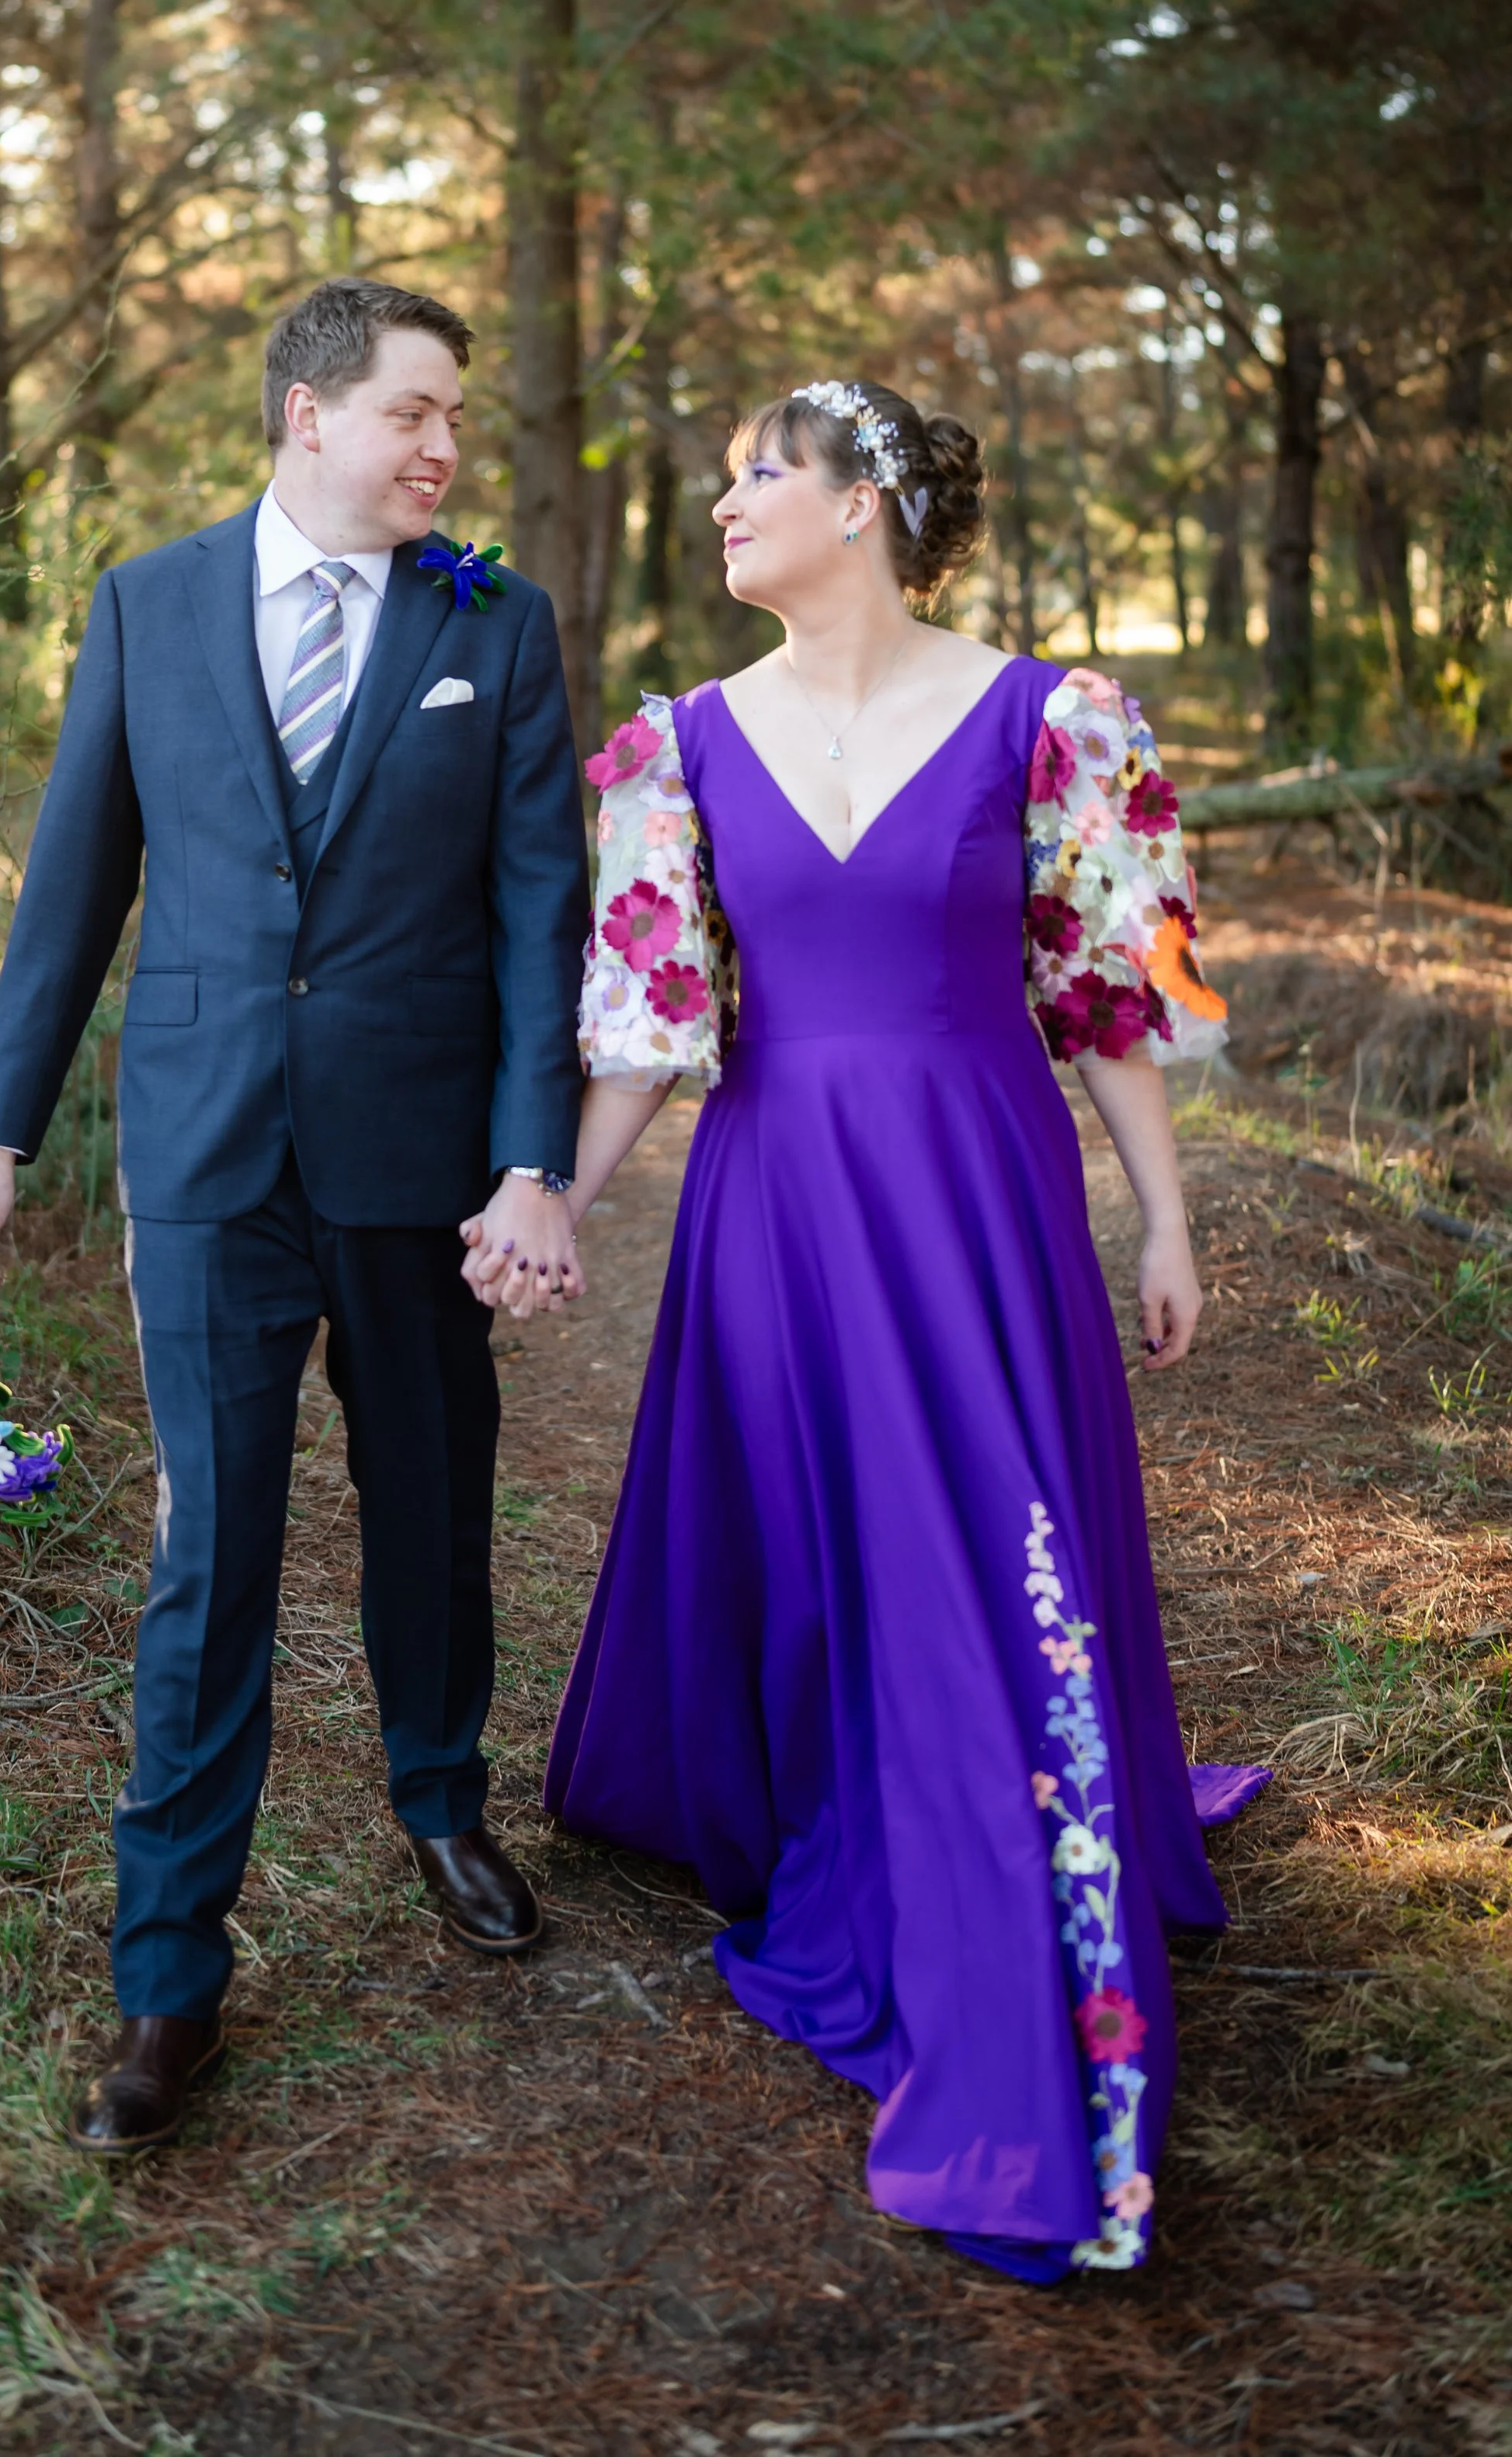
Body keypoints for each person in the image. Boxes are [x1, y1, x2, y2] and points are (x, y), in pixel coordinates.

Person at [468, 376, 1267, 2280]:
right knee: (832, 1557)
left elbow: (1106, 986)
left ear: (870, 502)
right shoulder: (674, 744)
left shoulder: (1048, 718)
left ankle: (994, 1930)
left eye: (762, 473)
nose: (723, 501)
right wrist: (559, 1206)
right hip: (776, 1209)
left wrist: (1162, 1216)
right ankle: (827, 1778)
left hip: (977, 1195)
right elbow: (652, 1016)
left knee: (982, 1568)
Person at [0, 279, 590, 2157]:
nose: (443, 447)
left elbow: (540, 910)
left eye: (453, 416)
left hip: (415, 1157)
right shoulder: (145, 604)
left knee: (429, 1498)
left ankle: (440, 1799)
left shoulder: (499, 626)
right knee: (208, 1553)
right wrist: (1, 1138)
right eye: (412, 411)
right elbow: (75, 882)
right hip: (205, 1157)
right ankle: (166, 1980)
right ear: (308, 413)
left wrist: (526, 1159)